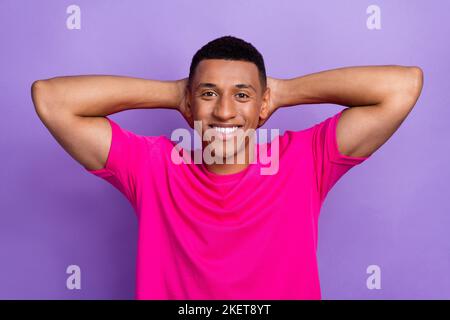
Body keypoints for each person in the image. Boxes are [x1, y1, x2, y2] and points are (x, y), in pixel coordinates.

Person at [31, 35, 423, 299]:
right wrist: (175, 93)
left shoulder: (305, 159)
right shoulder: (152, 167)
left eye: (241, 95)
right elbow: (51, 98)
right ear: (189, 103)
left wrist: (281, 93)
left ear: (262, 104)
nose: (223, 111)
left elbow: (403, 85)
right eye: (208, 95)